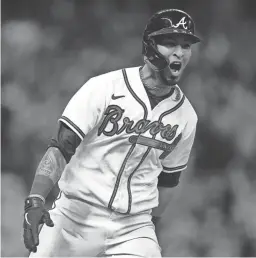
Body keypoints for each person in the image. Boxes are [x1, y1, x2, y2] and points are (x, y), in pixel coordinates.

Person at [23, 8, 201, 257]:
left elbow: (168, 182)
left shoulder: (186, 116)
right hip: (74, 218)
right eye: (170, 43)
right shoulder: (104, 88)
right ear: (149, 47)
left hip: (133, 227)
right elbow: (61, 147)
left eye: (186, 45)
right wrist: (36, 198)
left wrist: (149, 229)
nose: (179, 53)